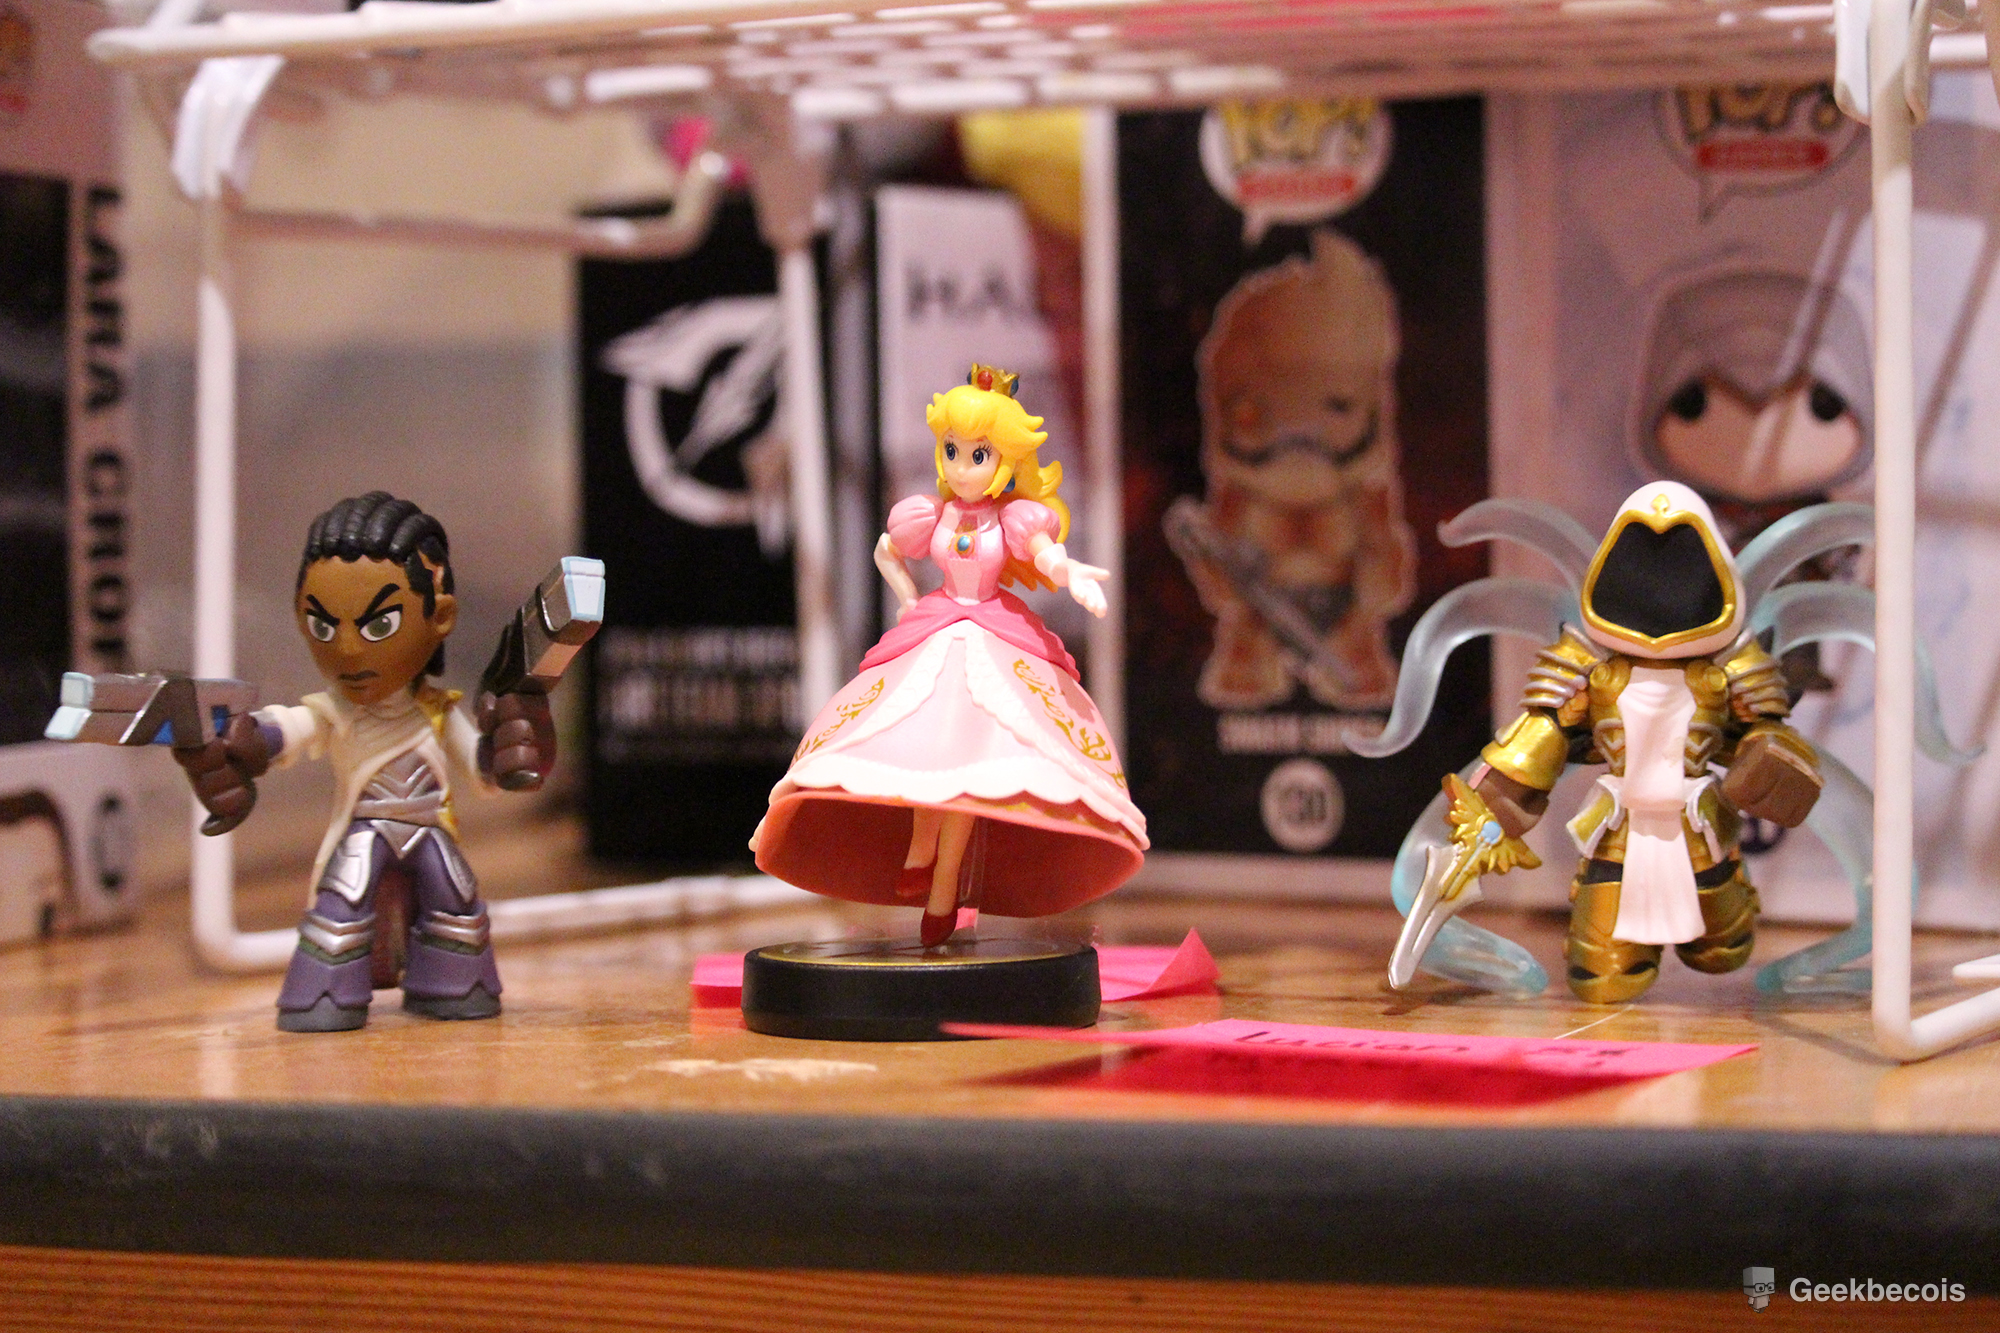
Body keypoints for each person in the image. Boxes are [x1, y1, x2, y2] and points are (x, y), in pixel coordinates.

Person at [751, 366, 1147, 945]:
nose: (962, 468)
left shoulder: (1011, 518)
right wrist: (908, 600)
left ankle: (941, 896)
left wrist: (1071, 573)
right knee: (922, 748)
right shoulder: (929, 514)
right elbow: (887, 551)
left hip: (991, 630)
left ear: (1003, 462)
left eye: (978, 455)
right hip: (937, 626)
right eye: (952, 451)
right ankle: (919, 851)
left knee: (968, 775)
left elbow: (1043, 554)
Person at [175, 491, 554, 1031]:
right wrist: (243, 741)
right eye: (324, 627)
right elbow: (286, 730)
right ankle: (324, 997)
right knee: (343, 902)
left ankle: (454, 985)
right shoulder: (338, 711)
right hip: (366, 829)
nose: (350, 650)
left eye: (378, 625)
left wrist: (517, 746)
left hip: (429, 828)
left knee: (456, 899)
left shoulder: (438, 712)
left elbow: (483, 769)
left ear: (441, 616)